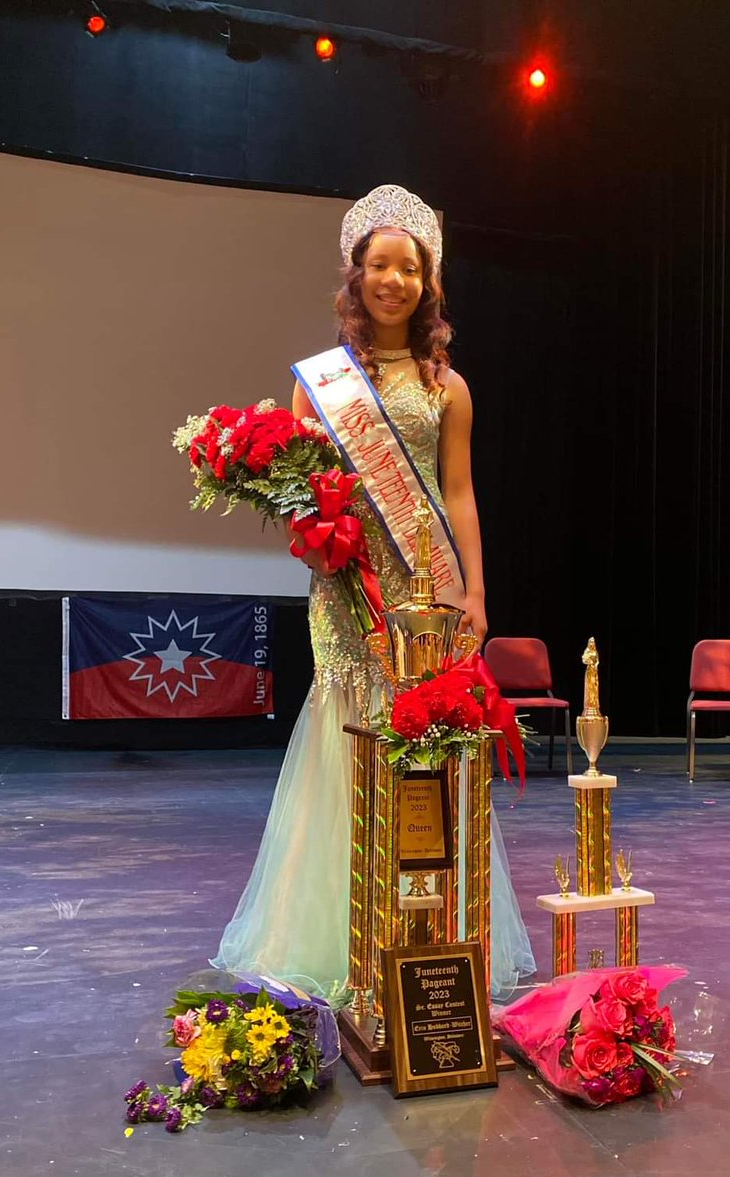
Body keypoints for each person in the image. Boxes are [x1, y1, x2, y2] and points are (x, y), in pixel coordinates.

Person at [212, 185, 535, 1000]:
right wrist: (320, 550)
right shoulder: (319, 382)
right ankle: (335, 936)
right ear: (355, 275)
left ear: (429, 284)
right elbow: (307, 492)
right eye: (379, 265)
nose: (394, 280)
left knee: (428, 749)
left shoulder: (447, 387)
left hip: (426, 591)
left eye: (410, 269)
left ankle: (425, 930)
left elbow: (457, 493)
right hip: (348, 589)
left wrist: (476, 595)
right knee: (346, 737)